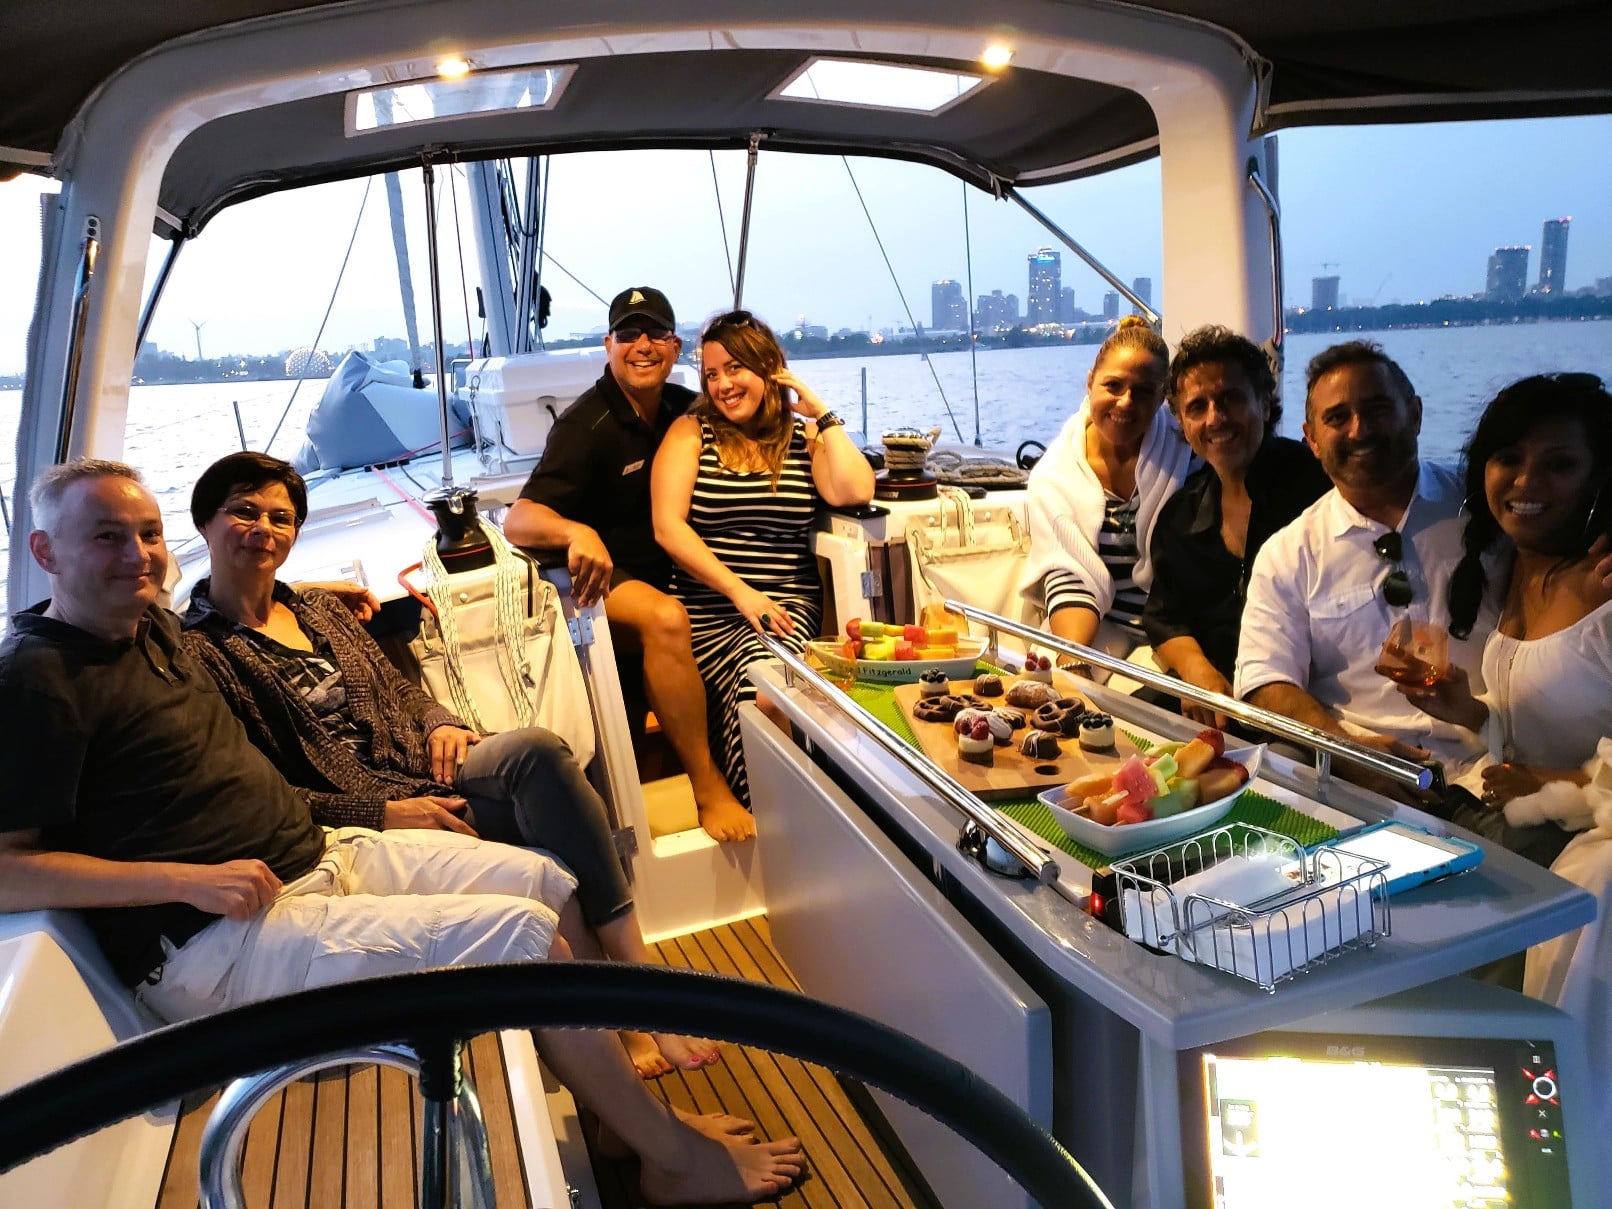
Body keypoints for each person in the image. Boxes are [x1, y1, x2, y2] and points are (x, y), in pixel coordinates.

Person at [0, 458, 804, 1205]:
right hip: (217, 939)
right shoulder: (37, 678)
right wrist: (183, 880)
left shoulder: (144, 625)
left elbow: (224, 598)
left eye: (147, 534)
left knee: (547, 880)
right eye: (106, 537)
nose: (138, 555)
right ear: (44, 551)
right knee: (526, 937)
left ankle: (619, 1120)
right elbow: (7, 870)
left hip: (312, 860)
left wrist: (302, 589)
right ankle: (670, 1161)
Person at [180, 451, 716, 1079]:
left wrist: (440, 721)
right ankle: (621, 1017)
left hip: (422, 762)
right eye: (244, 512)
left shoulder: (317, 610)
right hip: (358, 813)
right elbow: (265, 788)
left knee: (539, 752)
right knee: (551, 839)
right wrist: (383, 812)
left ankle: (637, 979)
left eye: (281, 517)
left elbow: (397, 689)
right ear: (204, 523)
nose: (265, 529)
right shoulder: (200, 653)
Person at [503, 287, 755, 843]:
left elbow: (754, 423)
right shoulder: (586, 426)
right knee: (665, 619)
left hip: (672, 572)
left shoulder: (684, 408)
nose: (642, 345)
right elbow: (518, 518)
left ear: (675, 347)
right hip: (603, 583)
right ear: (608, 345)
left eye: (655, 334)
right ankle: (708, 786)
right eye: (628, 334)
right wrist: (577, 531)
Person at [1234, 340, 1492, 795]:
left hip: (1493, 760)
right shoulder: (1289, 554)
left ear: (1415, 414)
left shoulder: (1489, 512)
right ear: (1311, 440)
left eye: (1377, 409)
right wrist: (1348, 752)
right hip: (1357, 775)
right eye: (1337, 418)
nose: (1360, 430)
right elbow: (1264, 680)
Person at [651, 310, 874, 808]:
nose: (723, 385)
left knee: (770, 691)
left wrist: (822, 414)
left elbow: (856, 489)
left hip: (784, 607)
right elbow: (668, 527)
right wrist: (739, 592)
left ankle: (789, 817)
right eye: (712, 374)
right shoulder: (691, 432)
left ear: (770, 368)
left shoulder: (802, 438)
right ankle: (778, 817)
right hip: (708, 611)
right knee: (759, 693)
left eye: (735, 368)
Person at [1394, 374, 1612, 863]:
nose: (1526, 482)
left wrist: (1556, 782)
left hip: (1586, 849)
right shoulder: (1517, 567)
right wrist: (1470, 711)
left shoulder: (1605, 585)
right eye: (1509, 458)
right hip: (1502, 815)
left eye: (1559, 465)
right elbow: (1542, 722)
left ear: (1597, 476)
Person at [1141, 326, 1331, 726]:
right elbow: (1165, 618)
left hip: (1307, 709)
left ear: (1265, 403)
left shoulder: (1321, 491)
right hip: (1216, 705)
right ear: (1181, 422)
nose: (1216, 418)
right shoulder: (1181, 516)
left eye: (1230, 399)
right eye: (1197, 407)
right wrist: (1196, 671)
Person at [1019, 315, 1194, 668]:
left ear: (1163, 396)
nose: (1126, 402)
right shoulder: (1054, 477)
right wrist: (1074, 661)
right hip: (1098, 631)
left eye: (1143, 391)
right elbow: (1069, 576)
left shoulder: (1188, 457)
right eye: (1113, 386)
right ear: (1090, 383)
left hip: (1181, 631)